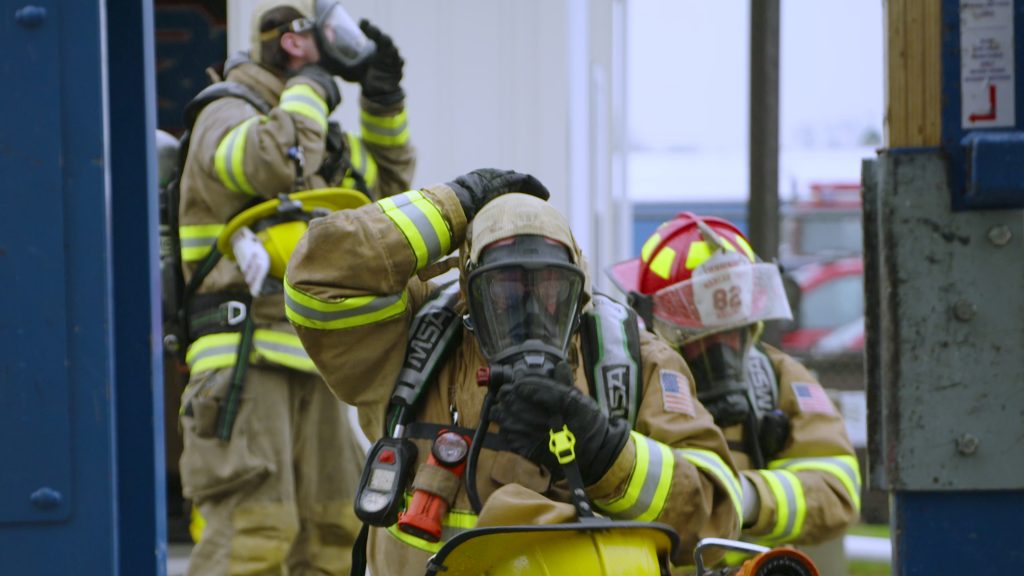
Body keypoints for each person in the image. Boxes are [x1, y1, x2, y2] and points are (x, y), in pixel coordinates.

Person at [285, 169, 743, 575]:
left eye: (549, 291)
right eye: (505, 292)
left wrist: (604, 451)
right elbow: (319, 275)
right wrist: (452, 205)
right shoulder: (415, 341)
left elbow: (718, 510)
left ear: (578, 291)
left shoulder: (628, 359)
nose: (528, 313)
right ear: (468, 291)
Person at [175, 1, 415, 574]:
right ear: (292, 43)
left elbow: (388, 190)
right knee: (255, 531)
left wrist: (383, 103)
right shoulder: (226, 112)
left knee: (334, 533)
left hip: (319, 358)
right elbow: (268, 162)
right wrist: (307, 92)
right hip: (243, 358)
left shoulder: (314, 137)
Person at [607, 212, 861, 558]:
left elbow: (837, 489)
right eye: (697, 336)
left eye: (732, 331)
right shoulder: (627, 381)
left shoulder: (777, 377)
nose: (721, 352)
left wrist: (745, 498)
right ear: (656, 326)